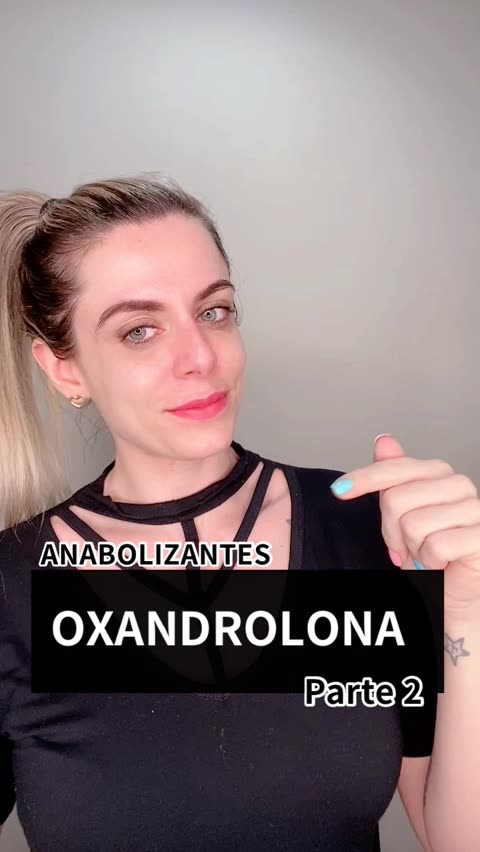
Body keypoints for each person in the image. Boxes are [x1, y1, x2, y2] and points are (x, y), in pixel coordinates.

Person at [0, 175, 450, 851]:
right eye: (140, 330)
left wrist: (466, 612)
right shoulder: (11, 589)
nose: (202, 358)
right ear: (66, 370)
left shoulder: (363, 529)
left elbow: (456, 835)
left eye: (214, 311)